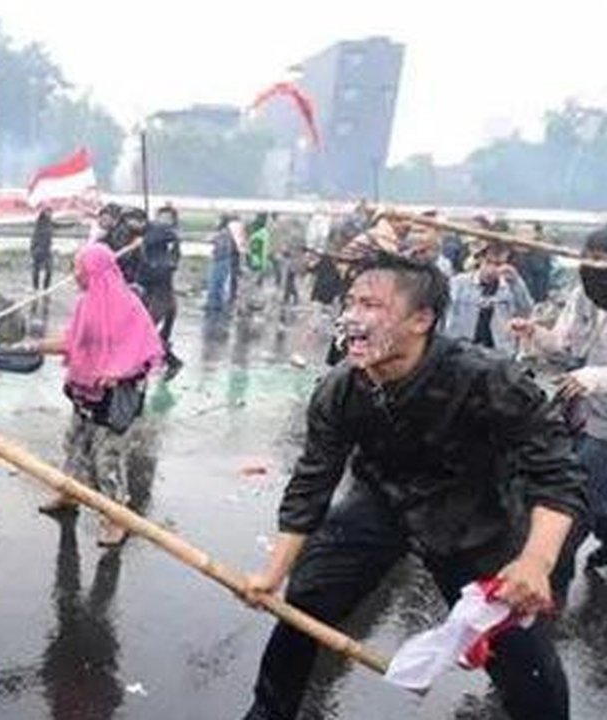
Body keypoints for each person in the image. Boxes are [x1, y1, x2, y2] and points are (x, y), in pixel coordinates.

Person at [241, 252, 586, 720]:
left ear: (421, 319)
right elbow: (312, 481)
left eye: (372, 305)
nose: (353, 318)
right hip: (382, 501)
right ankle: (268, 713)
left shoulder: (486, 378)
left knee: (524, 661)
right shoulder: (341, 388)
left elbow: (557, 471)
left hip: (475, 515)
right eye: (351, 303)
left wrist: (535, 560)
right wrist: (273, 573)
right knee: (306, 600)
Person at [20, 244, 163, 547]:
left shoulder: (129, 306)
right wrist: (32, 346)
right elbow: (73, 343)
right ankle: (69, 493)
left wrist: (117, 371)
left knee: (106, 459)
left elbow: (144, 348)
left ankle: (117, 518)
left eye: (78, 268)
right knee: (75, 444)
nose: (74, 275)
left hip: (114, 399)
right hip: (85, 391)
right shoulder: (87, 304)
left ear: (95, 273)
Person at [511, 226, 607, 572]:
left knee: (577, 497)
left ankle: (551, 573)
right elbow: (565, 345)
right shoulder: (584, 296)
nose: (593, 268)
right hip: (578, 412)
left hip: (604, 423)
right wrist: (535, 333)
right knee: (582, 486)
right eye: (589, 259)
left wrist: (595, 378)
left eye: (602, 260)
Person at [442, 242, 533, 356]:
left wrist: (516, 283)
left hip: (498, 351)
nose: (492, 268)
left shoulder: (512, 287)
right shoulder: (459, 283)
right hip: (461, 348)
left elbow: (526, 312)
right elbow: (443, 312)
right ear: (480, 260)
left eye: (499, 264)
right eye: (488, 262)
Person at [139, 206, 183, 380]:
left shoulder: (170, 238)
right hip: (151, 292)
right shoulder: (150, 234)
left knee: (144, 330)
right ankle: (165, 359)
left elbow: (171, 263)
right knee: (148, 331)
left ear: (173, 221)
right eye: (160, 216)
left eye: (167, 218)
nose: (163, 220)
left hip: (163, 294)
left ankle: (170, 361)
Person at [205, 215, 238, 313]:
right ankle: (216, 304)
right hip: (224, 260)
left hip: (220, 260)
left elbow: (210, 239)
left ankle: (215, 305)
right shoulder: (229, 233)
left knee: (216, 283)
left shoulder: (224, 233)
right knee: (219, 283)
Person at [30, 207, 55, 291]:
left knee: (49, 270)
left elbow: (61, 225)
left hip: (47, 250)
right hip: (38, 249)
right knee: (36, 270)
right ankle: (35, 288)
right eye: (49, 212)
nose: (51, 214)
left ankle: (46, 288)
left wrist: (74, 224)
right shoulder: (40, 222)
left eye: (51, 213)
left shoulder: (50, 223)